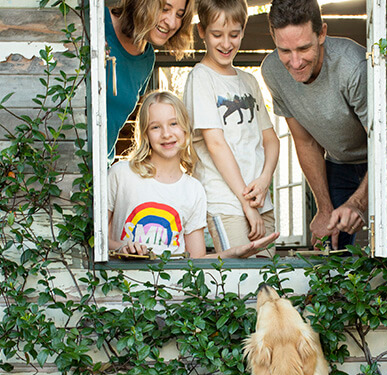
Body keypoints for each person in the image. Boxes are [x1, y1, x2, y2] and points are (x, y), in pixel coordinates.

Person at [108, 90, 278, 260]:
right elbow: (95, 238)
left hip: (174, 285)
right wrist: (121, 248)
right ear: (145, 134)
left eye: (174, 124)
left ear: (186, 129)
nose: (166, 134)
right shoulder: (121, 174)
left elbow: (196, 261)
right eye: (155, 127)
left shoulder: (193, 189)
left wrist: (234, 253)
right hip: (125, 283)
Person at [261, 0, 368, 249]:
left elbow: (384, 143)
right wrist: (323, 208)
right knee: (333, 246)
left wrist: (358, 203)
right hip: (338, 164)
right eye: (285, 51)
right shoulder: (273, 71)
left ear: (322, 34)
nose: (295, 62)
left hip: (380, 160)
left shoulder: (353, 66)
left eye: (303, 48)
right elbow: (305, 141)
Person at [183, 0, 280, 257]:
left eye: (234, 34)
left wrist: (263, 180)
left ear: (243, 30)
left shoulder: (248, 81)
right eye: (217, 35)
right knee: (240, 285)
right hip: (225, 203)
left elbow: (271, 139)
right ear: (202, 31)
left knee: (266, 286)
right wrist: (246, 204)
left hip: (261, 202)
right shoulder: (201, 77)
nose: (226, 43)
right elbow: (215, 144)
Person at [105, 0, 195, 160]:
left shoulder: (147, 58)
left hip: (100, 168)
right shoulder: (97, 23)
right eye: (165, 9)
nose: (172, 23)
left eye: (179, 15)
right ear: (142, 0)